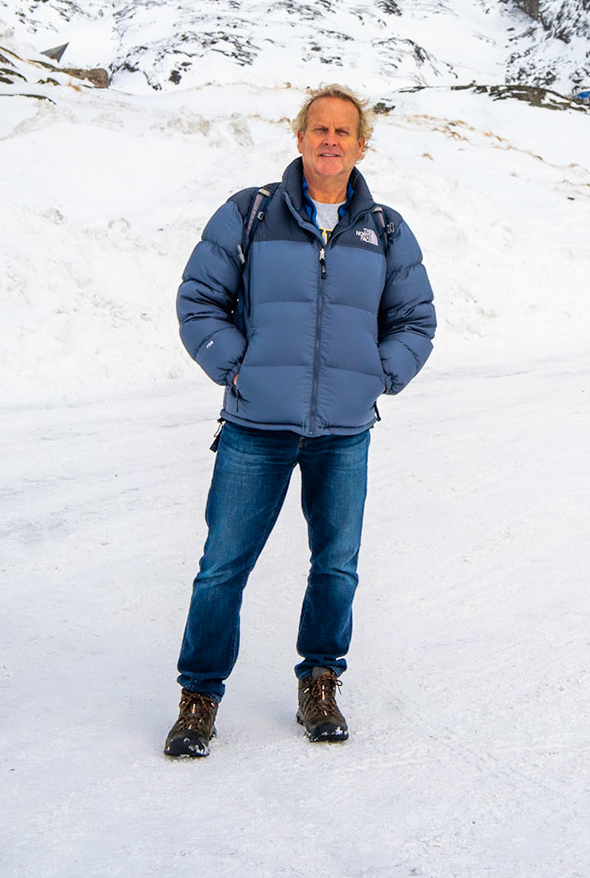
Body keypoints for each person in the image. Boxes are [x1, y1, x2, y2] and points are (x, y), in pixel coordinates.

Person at [165, 85, 435, 758]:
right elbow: (200, 299)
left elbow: (415, 320)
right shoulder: (251, 213)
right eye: (320, 129)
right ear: (300, 137)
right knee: (222, 567)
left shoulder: (386, 229)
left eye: (344, 132)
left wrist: (379, 375)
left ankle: (320, 680)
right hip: (257, 424)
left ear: (361, 144)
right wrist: (236, 369)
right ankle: (198, 696)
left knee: (336, 567)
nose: (331, 141)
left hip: (344, 432)